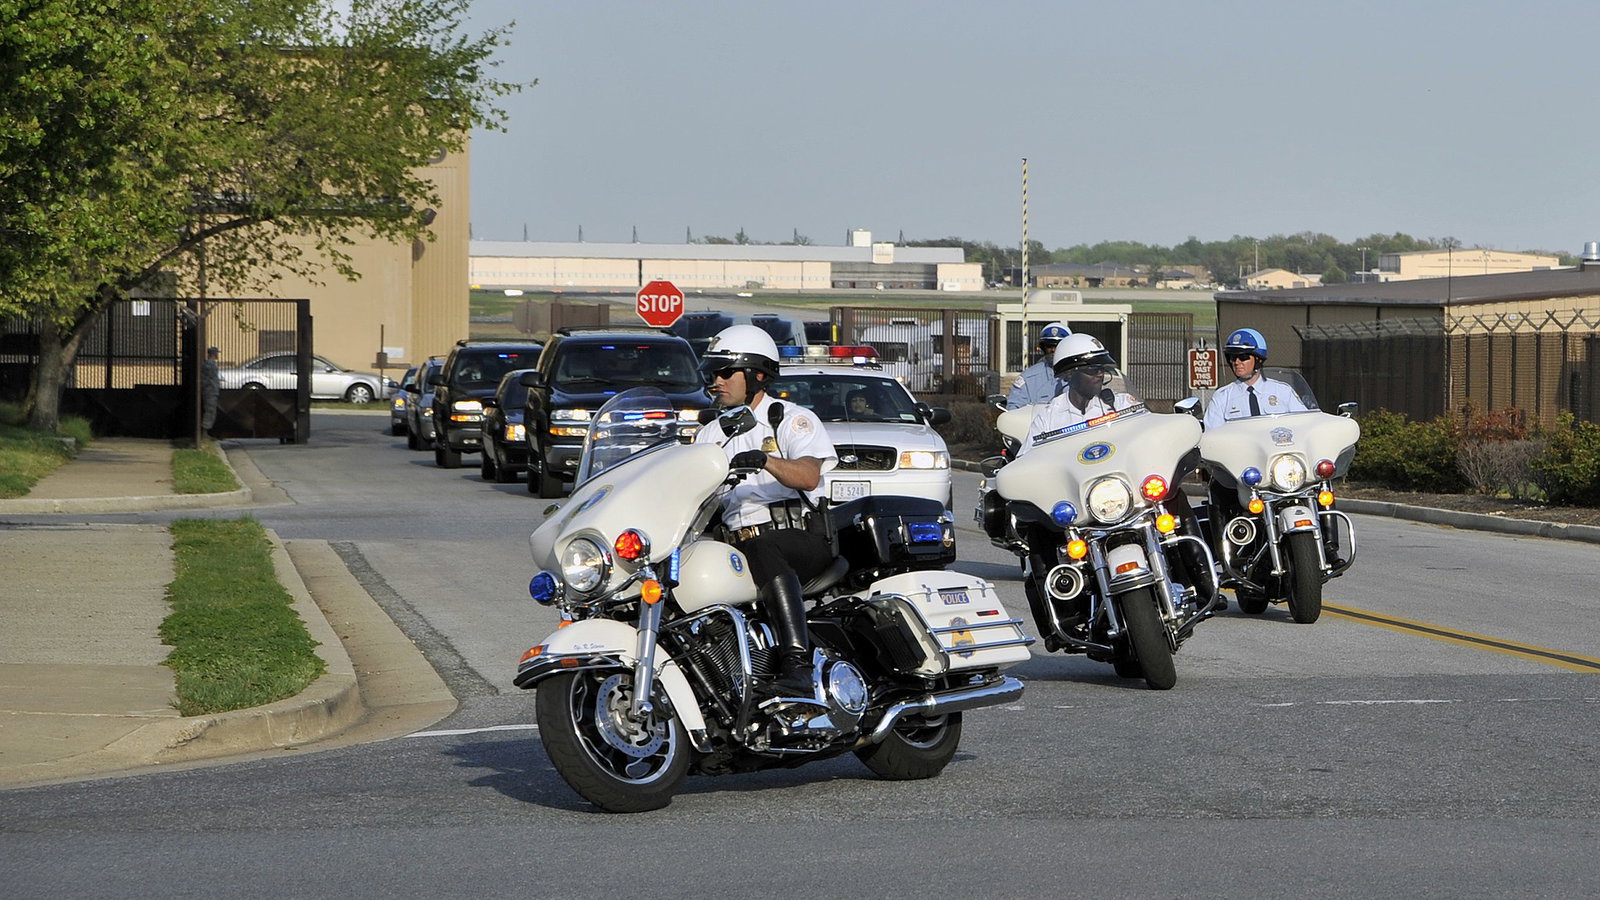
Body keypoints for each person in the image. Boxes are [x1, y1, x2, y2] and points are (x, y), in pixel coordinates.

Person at [694, 324, 838, 699]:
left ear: (757, 374)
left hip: (800, 539)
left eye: (726, 372)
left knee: (764, 547)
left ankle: (798, 667)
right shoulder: (709, 435)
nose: (717, 381)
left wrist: (765, 460)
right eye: (713, 373)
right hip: (738, 548)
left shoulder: (790, 419)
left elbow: (808, 476)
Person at [1017, 334, 1137, 455]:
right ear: (1069, 374)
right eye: (1092, 369)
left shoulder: (1121, 406)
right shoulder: (1049, 419)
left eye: (1101, 368)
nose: (1100, 374)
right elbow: (1025, 463)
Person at [1202, 328, 1308, 430]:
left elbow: (1305, 423)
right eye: (1233, 357)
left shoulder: (1282, 391)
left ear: (1258, 359)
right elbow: (1212, 436)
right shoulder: (1222, 397)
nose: (1237, 362)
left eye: (1243, 357)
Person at [1005, 321, 1073, 409]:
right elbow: (1014, 411)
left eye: (1057, 346)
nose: (1053, 350)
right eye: (1049, 346)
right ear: (1043, 348)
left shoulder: (1085, 374)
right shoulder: (1028, 378)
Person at [201, 346, 221, 432]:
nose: (217, 355)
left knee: (211, 410)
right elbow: (210, 378)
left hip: (211, 390)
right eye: (216, 353)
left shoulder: (211, 364)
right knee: (210, 410)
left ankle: (206, 430)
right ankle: (205, 431)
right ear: (213, 354)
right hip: (210, 390)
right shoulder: (210, 364)